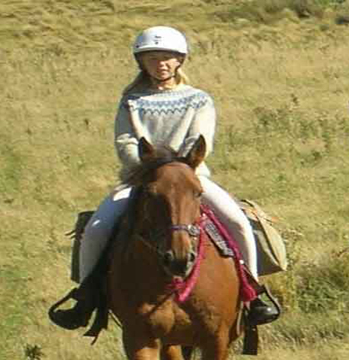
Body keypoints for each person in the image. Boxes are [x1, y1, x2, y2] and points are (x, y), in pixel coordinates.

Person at [50, 26, 279, 332]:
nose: (161, 64)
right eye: (152, 58)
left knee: (238, 222)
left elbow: (201, 140)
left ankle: (252, 296)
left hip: (189, 177)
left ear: (180, 60)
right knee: (96, 228)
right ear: (141, 62)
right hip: (142, 179)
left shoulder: (198, 99)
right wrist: (149, 171)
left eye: (168, 58)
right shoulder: (131, 100)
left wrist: (177, 169)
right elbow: (126, 142)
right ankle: (87, 298)